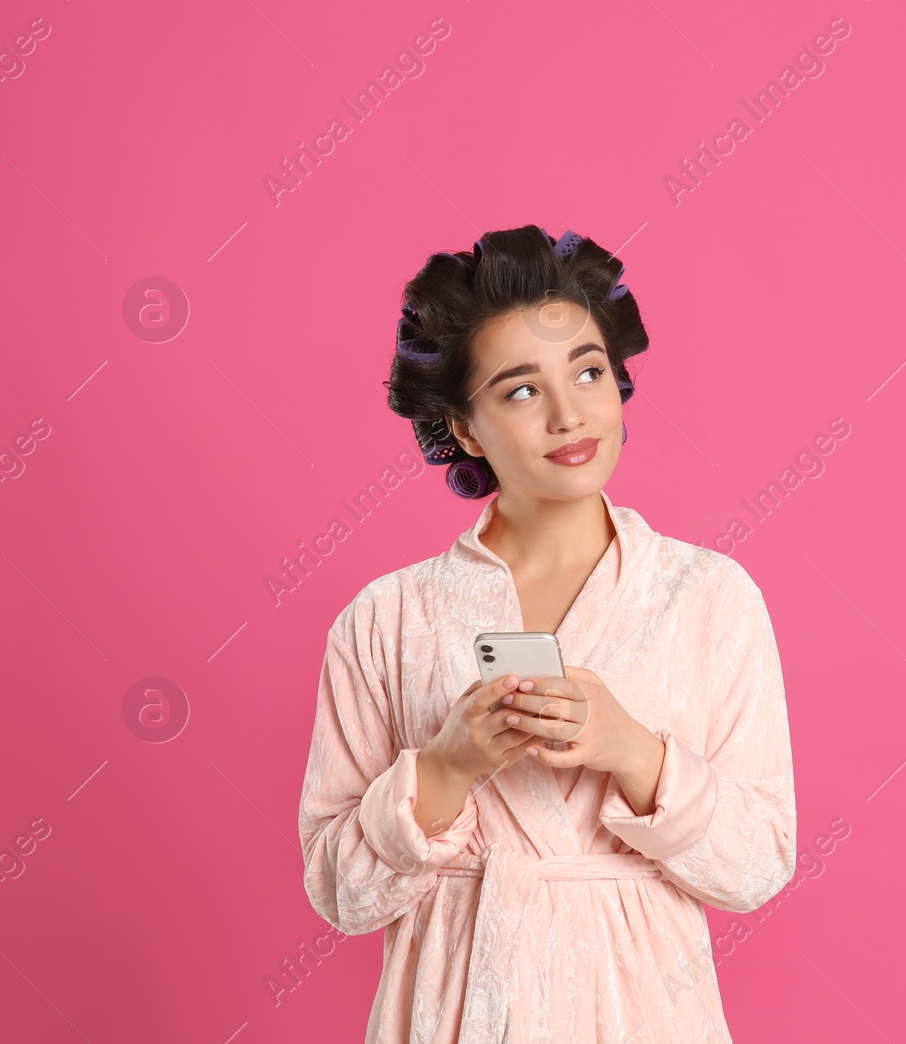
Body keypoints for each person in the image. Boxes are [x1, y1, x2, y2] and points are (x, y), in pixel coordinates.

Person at [297, 225, 797, 1043]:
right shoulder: (385, 619)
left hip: (645, 1012)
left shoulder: (709, 598)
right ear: (463, 427)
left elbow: (757, 865)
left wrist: (633, 749)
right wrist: (448, 767)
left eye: (589, 372)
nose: (571, 414)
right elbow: (342, 892)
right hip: (457, 1007)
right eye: (522, 390)